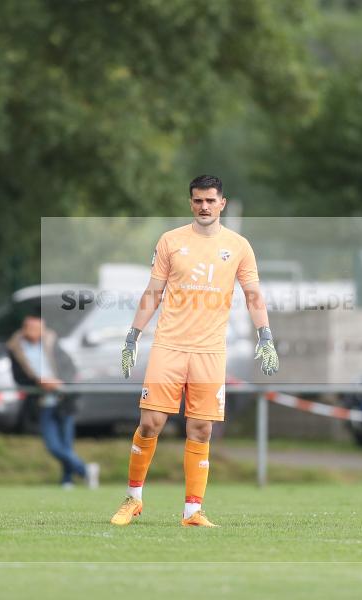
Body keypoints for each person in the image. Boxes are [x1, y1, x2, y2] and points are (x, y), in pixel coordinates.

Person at [111, 174, 279, 527]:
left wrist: (265, 336)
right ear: (191, 203)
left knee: (201, 429)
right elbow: (153, 292)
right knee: (150, 423)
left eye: (210, 200)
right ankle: (133, 499)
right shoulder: (171, 241)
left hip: (210, 352)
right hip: (169, 346)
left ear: (222, 203)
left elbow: (253, 295)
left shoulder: (239, 246)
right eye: (198, 200)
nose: (204, 206)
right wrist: (132, 337)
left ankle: (192, 512)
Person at [7, 311, 98, 489]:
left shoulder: (52, 342)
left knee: (66, 444)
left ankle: (67, 480)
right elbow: (19, 377)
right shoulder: (15, 348)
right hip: (42, 402)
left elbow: (69, 367)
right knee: (53, 446)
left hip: (64, 400)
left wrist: (60, 383)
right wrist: (39, 382)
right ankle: (86, 470)